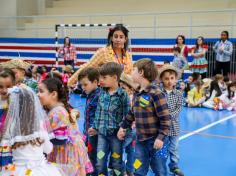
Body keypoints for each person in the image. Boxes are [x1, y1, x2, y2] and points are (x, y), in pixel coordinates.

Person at [118, 58, 171, 176]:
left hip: (158, 141)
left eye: (133, 70)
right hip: (141, 140)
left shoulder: (156, 93)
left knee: (160, 169)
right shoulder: (137, 92)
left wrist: (160, 138)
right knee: (138, 168)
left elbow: (166, 119)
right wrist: (123, 127)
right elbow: (132, 113)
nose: (131, 73)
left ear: (141, 72)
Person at [0, 87, 63, 176]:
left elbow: (4, 151)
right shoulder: (39, 125)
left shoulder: (9, 126)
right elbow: (48, 150)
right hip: (41, 170)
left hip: (17, 170)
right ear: (33, 105)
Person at [38, 78, 93, 176]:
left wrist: (39, 140)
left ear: (53, 94)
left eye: (41, 91)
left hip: (66, 152)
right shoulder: (56, 108)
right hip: (65, 149)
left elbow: (60, 139)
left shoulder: (57, 112)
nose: (38, 94)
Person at [92, 62, 130, 175]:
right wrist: (95, 127)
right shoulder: (101, 93)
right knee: (100, 161)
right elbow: (98, 111)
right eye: (100, 77)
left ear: (114, 78)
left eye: (104, 77)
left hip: (116, 136)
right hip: (102, 135)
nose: (100, 80)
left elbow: (127, 115)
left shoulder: (123, 95)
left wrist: (123, 130)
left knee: (116, 162)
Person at [68, 24, 133, 87]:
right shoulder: (103, 52)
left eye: (121, 37)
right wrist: (70, 81)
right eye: (115, 36)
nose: (118, 40)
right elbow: (86, 67)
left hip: (124, 93)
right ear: (111, 38)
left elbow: (131, 73)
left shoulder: (128, 54)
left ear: (125, 39)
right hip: (106, 93)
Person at [78, 67, 100, 176]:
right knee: (86, 156)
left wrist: (95, 128)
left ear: (95, 82)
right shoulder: (90, 95)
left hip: (94, 134)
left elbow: (99, 116)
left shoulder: (99, 96)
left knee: (93, 158)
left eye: (85, 85)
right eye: (81, 85)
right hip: (87, 133)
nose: (83, 88)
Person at [119, 73, 139, 176]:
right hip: (135, 130)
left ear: (130, 89)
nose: (120, 90)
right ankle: (130, 170)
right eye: (119, 87)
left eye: (123, 88)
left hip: (127, 130)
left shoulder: (127, 99)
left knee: (119, 150)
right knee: (131, 151)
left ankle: (122, 171)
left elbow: (126, 117)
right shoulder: (135, 98)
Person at [0, 69, 16, 169]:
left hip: (9, 143)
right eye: (0, 87)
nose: (5, 90)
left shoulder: (16, 102)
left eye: (8, 87)